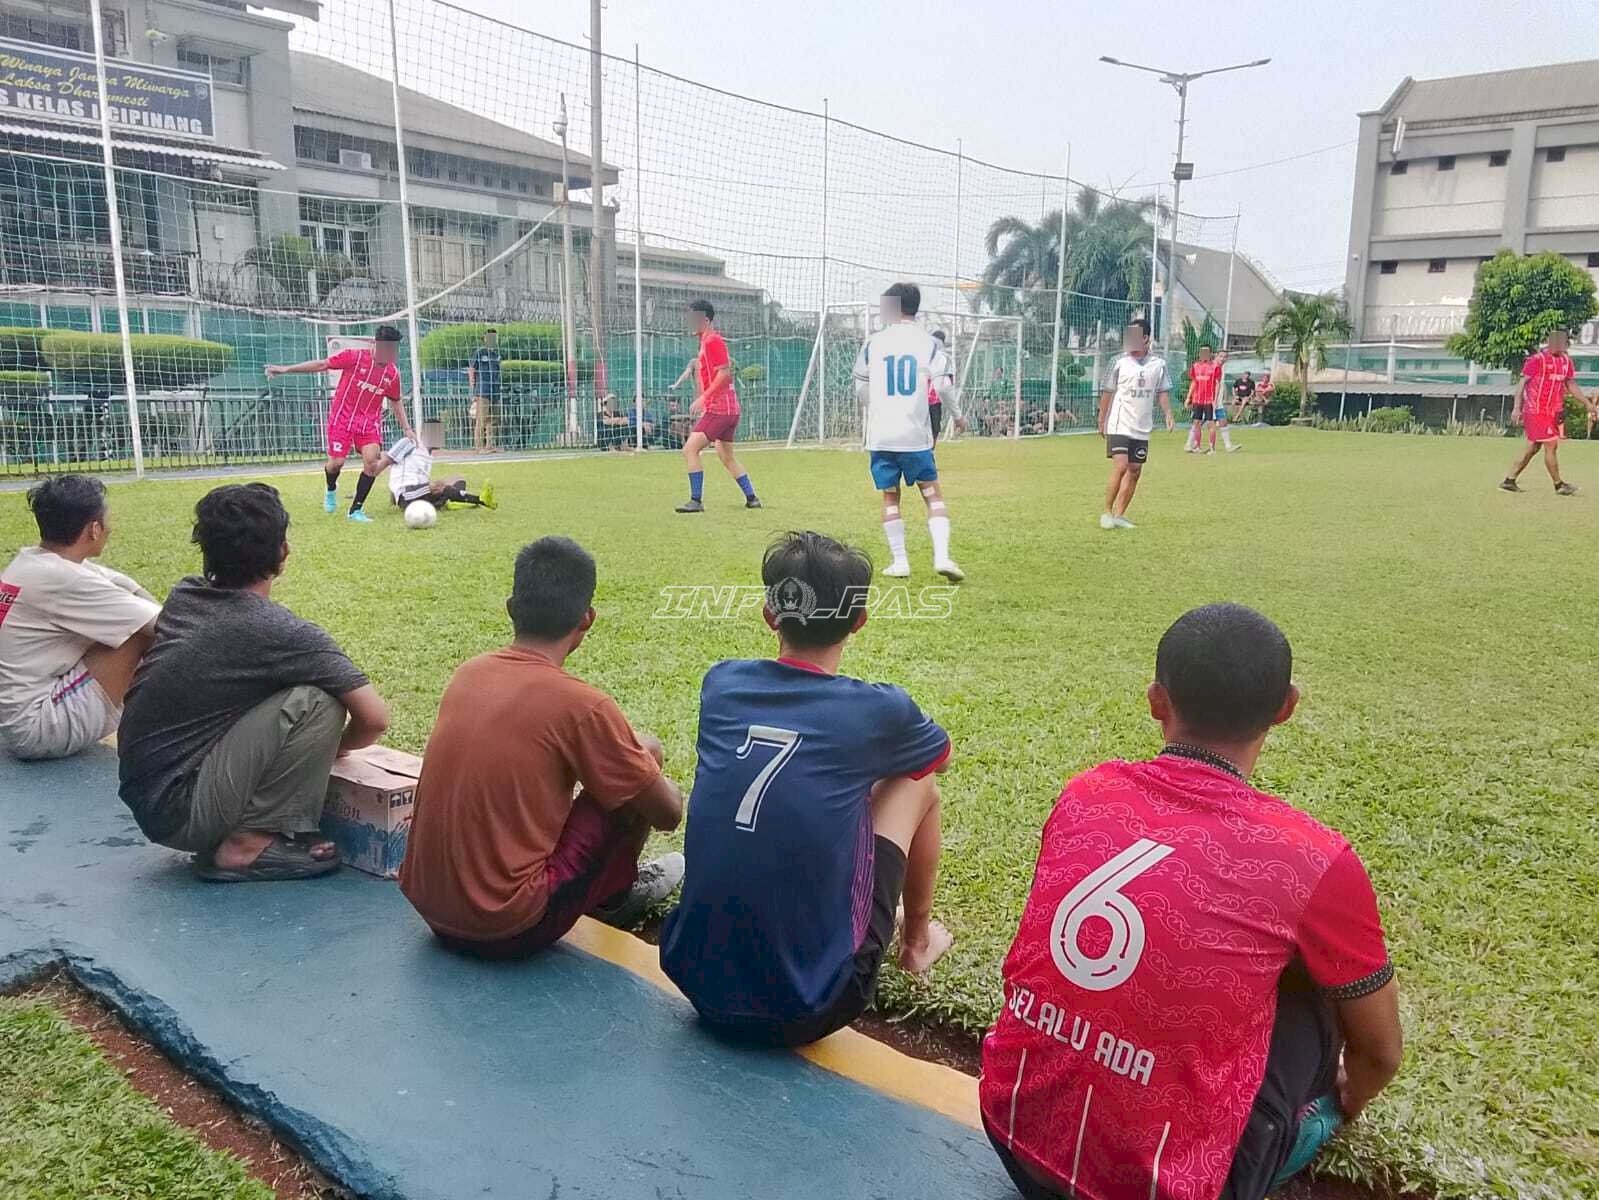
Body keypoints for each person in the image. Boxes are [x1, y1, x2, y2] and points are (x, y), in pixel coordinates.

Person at [980, 604, 1402, 1200]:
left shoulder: (1087, 791)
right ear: (1286, 707)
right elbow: (1381, 1053)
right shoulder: (1313, 858)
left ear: (1157, 701)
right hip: (1161, 1190)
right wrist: (1346, 1101)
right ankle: (1304, 1132)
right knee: (1323, 989)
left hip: (1010, 1131)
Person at [660, 530, 954, 1047]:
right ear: (859, 620)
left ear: (769, 615)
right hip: (809, 1005)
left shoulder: (721, 682)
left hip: (694, 978)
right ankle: (916, 944)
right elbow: (938, 758)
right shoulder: (880, 709)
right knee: (917, 781)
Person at [399, 536, 686, 957]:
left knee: (625, 763)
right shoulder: (583, 706)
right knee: (646, 754)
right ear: (587, 618)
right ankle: (614, 898)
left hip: (429, 907)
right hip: (508, 927)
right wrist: (651, 769)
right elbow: (668, 814)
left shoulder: (468, 673)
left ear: (511, 608)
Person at [117, 483, 390, 882]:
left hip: (149, 793)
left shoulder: (186, 595)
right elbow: (375, 718)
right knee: (317, 702)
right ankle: (248, 844)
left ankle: (242, 829)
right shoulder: (279, 632)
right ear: (283, 552)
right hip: (180, 809)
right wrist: (333, 748)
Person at [0, 475, 159, 761]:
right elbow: (164, 626)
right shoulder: (63, 579)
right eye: (108, 520)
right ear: (94, 529)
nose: (112, 527)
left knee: (124, 623)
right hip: (36, 728)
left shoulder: (34, 562)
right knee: (137, 635)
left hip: (16, 714)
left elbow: (125, 586)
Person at [851, 282, 964, 581]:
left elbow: (861, 388)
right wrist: (958, 416)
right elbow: (943, 386)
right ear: (915, 307)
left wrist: (878, 408)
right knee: (932, 495)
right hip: (914, 436)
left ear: (892, 307)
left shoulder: (873, 343)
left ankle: (900, 562)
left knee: (890, 498)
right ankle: (942, 557)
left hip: (881, 437)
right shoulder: (929, 343)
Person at [265, 325, 414, 523]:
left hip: (368, 423)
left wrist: (407, 428)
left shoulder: (392, 373)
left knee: (371, 463)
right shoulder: (354, 357)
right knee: (336, 464)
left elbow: (395, 400)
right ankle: (331, 488)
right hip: (342, 419)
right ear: (375, 344)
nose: (390, 354)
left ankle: (355, 510)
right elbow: (322, 365)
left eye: (393, 349)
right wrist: (286, 369)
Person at [676, 300, 761, 512]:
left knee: (690, 449)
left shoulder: (713, 340)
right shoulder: (706, 342)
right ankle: (752, 498)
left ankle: (696, 501)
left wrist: (704, 398)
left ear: (705, 319)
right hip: (728, 409)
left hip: (720, 409)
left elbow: (724, 373)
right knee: (726, 456)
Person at [1097, 317, 1175, 530]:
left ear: (1146, 338)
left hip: (1142, 426)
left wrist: (1168, 414)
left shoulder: (1158, 365)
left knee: (1135, 469)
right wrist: (1102, 418)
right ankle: (1106, 512)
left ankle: (1120, 515)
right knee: (1121, 465)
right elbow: (1107, 391)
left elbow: (1162, 392)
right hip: (1119, 423)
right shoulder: (1118, 362)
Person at [1500, 328, 1593, 495]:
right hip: (1535, 410)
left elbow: (1571, 384)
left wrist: (1587, 403)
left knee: (1533, 447)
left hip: (1551, 412)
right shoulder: (1537, 360)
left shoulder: (1566, 362)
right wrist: (1516, 407)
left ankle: (1509, 480)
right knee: (1551, 444)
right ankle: (1559, 485)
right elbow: (1521, 385)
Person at [380, 436, 496, 512]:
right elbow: (388, 458)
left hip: (420, 493)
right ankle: (481, 499)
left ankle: (453, 501)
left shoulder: (428, 455)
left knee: (458, 478)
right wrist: (395, 493)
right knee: (440, 486)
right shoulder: (410, 443)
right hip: (406, 493)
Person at [1185, 342, 1237, 453]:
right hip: (1207, 400)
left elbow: (1218, 385)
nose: (1223, 359)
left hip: (1215, 401)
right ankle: (1190, 444)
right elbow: (1197, 382)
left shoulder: (1219, 369)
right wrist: (1190, 397)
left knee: (1222, 421)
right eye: (1221, 356)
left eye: (1225, 357)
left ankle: (1228, 446)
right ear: (1215, 356)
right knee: (1198, 422)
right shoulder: (1210, 367)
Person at [467, 327, 501, 453]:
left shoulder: (496, 355)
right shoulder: (480, 352)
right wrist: (473, 388)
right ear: (485, 339)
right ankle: (479, 446)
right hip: (482, 390)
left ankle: (490, 445)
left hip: (495, 390)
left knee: (493, 419)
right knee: (481, 419)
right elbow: (472, 370)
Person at [927, 329, 953, 443]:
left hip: (922, 399)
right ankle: (930, 449)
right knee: (934, 429)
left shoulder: (924, 353)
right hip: (934, 400)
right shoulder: (943, 357)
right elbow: (948, 381)